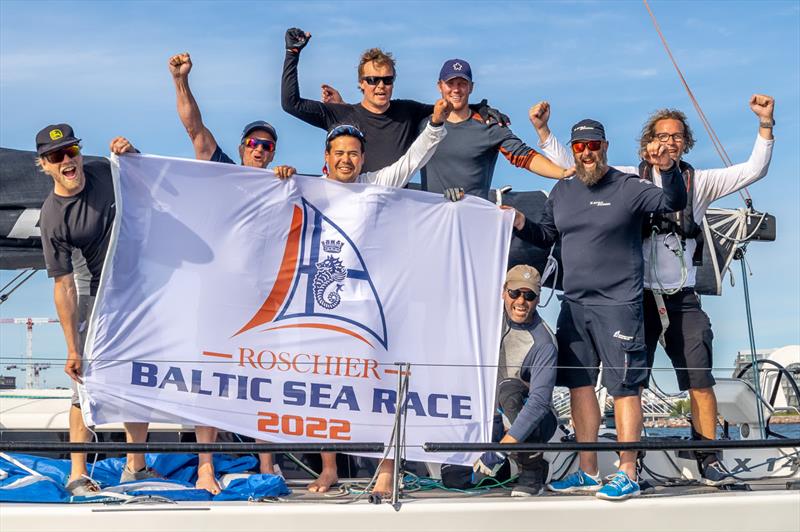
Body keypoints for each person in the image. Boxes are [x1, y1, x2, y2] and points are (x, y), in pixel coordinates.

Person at [530, 96, 775, 485]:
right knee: (631, 383)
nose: (669, 142)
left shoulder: (701, 181)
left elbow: (754, 170)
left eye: (676, 136)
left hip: (680, 296)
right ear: (648, 141)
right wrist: (544, 133)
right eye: (661, 136)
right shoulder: (630, 175)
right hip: (633, 295)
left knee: (699, 376)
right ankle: (630, 463)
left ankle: (708, 458)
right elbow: (579, 164)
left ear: (685, 142)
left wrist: (765, 126)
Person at [278, 98, 451, 494]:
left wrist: (437, 124)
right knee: (321, 392)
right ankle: (329, 469)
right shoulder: (307, 187)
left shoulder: (375, 185)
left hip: (370, 307)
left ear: (362, 158)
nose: (346, 160)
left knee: (380, 390)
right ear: (326, 156)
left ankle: (387, 470)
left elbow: (413, 159)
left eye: (353, 154)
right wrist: (280, 175)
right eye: (339, 153)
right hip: (322, 305)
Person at [508, 119, 686, 500]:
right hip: (575, 305)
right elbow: (546, 236)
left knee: (625, 387)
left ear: (604, 146)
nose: (586, 153)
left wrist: (668, 169)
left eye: (593, 145)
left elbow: (674, 202)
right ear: (573, 150)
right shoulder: (563, 190)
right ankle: (588, 471)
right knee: (579, 384)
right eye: (579, 147)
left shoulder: (628, 187)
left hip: (618, 304)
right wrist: (519, 222)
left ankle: (627, 471)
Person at [168, 52, 295, 493]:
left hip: (263, 301)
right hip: (216, 296)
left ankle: (267, 463)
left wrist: (289, 180)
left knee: (267, 384)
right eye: (254, 144)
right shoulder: (223, 169)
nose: (260, 150)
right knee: (207, 383)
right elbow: (194, 130)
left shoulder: (284, 184)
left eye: (268, 146)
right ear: (242, 148)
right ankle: (205, 468)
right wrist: (181, 81)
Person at [35, 124, 156, 494]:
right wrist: (72, 348)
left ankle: (135, 467)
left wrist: (131, 151)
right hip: (94, 293)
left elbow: (143, 178)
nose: (67, 160)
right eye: (57, 156)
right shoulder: (54, 216)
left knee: (137, 376)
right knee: (84, 386)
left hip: (136, 288)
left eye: (72, 151)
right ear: (45, 165)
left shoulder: (104, 168)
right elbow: (64, 285)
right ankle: (77, 474)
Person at [281, 28, 504, 173]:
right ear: (361, 83)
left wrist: (480, 108)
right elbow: (291, 104)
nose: (380, 86)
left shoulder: (407, 110)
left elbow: (448, 109)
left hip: (394, 215)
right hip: (353, 209)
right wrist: (292, 53)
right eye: (373, 80)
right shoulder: (340, 115)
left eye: (386, 80)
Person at [423, 59, 572, 201]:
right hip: (432, 220)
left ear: (471, 87)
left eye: (462, 83)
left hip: (473, 218)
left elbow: (524, 156)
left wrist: (563, 173)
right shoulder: (422, 125)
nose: (456, 89)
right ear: (440, 86)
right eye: (450, 83)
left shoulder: (489, 125)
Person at [472, 265, 558, 497]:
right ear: (503, 292)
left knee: (508, 388)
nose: (521, 301)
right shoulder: (487, 320)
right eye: (515, 293)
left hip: (536, 419)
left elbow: (540, 402)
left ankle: (532, 472)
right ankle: (511, 464)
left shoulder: (544, 343)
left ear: (537, 299)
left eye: (529, 295)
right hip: (494, 419)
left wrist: (501, 449)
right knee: (456, 479)